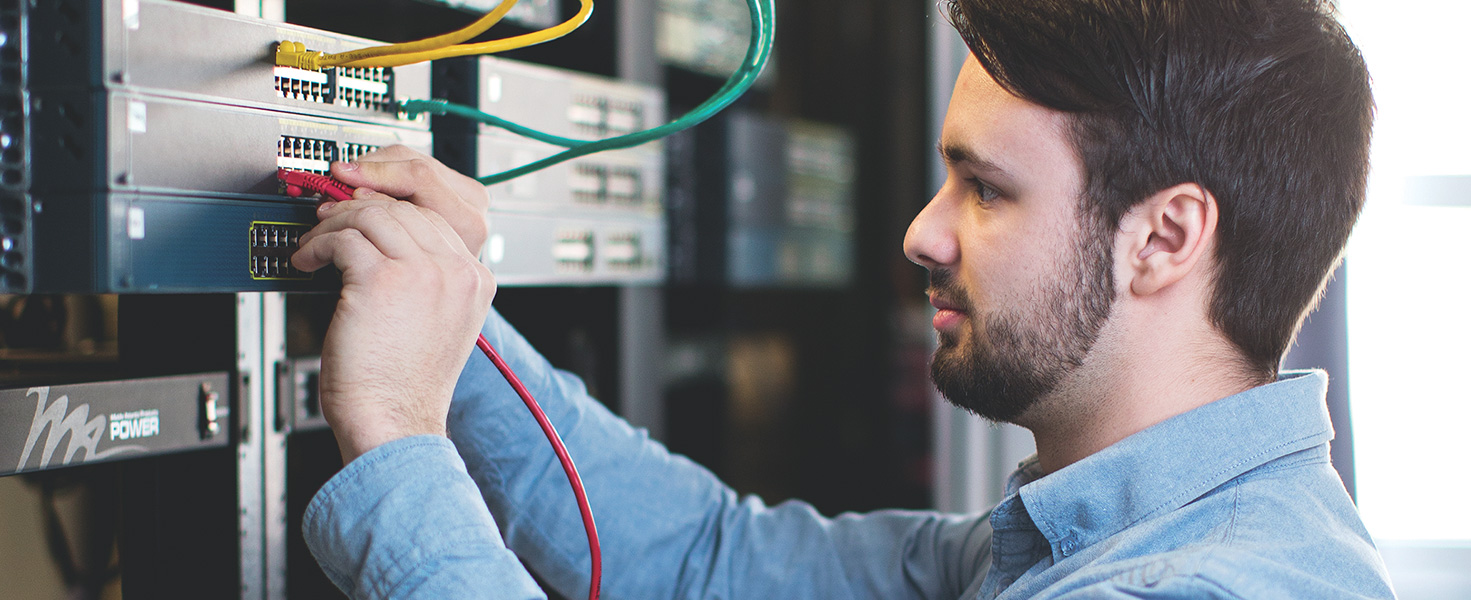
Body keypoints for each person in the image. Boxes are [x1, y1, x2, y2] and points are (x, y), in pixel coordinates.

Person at [288, 0, 1396, 597]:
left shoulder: (1196, 588)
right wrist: (447, 306)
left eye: (987, 189)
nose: (922, 231)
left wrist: (395, 437)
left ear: (1164, 237)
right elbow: (706, 563)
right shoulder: (1085, 541)